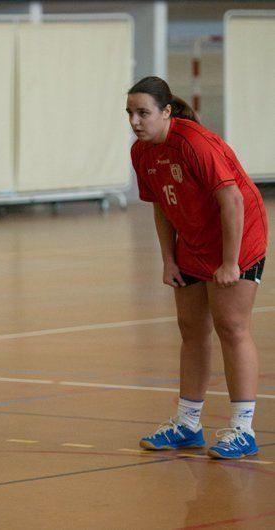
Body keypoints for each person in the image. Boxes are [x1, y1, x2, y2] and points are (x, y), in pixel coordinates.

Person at [128, 76, 268, 459]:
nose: (136, 121)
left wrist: (230, 262)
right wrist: (169, 258)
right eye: (130, 113)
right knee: (191, 328)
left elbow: (234, 201)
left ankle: (242, 430)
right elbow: (162, 205)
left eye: (143, 112)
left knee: (232, 327)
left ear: (166, 111)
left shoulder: (194, 142)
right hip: (192, 240)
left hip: (238, 237)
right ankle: (188, 424)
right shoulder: (142, 153)